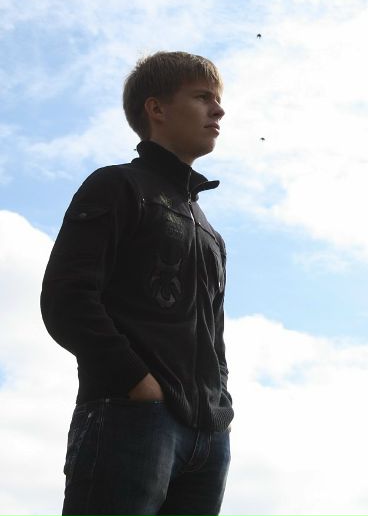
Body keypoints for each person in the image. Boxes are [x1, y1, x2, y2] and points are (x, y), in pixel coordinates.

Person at [41, 51, 234, 516]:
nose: (219, 110)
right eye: (202, 97)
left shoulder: (210, 231)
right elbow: (67, 299)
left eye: (217, 99)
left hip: (208, 438)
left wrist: (220, 407)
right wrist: (137, 383)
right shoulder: (115, 186)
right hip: (131, 416)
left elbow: (215, 333)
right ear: (157, 108)